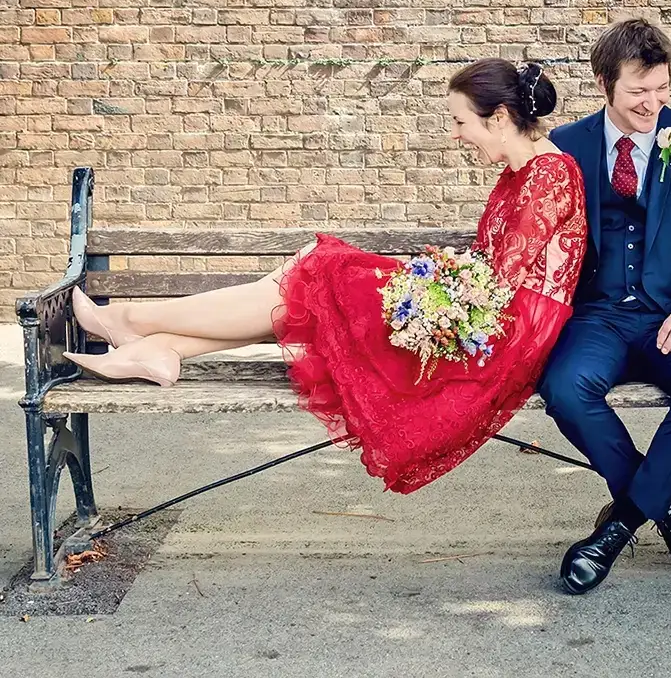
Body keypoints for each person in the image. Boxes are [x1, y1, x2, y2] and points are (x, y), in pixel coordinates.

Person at [64, 59, 588, 495]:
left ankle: (133, 321)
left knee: (322, 275)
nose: (455, 135)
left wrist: (417, 288)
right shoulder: (523, 170)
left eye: (459, 122)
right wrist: (417, 283)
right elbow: (485, 275)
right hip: (474, 317)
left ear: (498, 118)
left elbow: (495, 287)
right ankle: (160, 345)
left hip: (491, 339)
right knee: (317, 279)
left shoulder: (550, 175)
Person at [540, 19, 671, 594]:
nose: (652, 103)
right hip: (599, 318)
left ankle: (615, 531)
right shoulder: (566, 145)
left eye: (662, 89)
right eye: (639, 91)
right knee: (563, 387)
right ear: (605, 83)